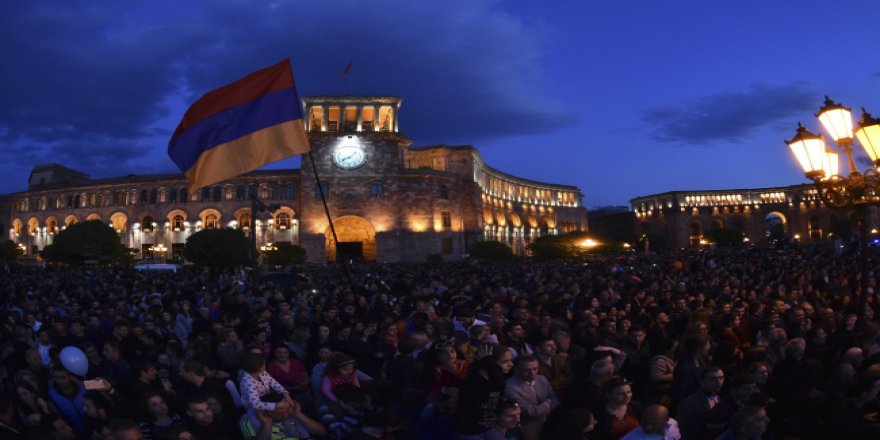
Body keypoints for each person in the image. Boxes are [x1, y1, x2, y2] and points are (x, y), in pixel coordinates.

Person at [504, 355, 559, 440]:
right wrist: (548, 403)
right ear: (516, 370)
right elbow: (531, 413)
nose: (532, 373)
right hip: (528, 429)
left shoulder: (542, 379)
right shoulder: (510, 386)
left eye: (535, 369)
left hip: (549, 424)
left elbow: (556, 402)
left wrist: (542, 408)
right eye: (526, 370)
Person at [238, 392, 327, 440]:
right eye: (278, 413)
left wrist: (298, 415)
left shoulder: (291, 413)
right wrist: (267, 425)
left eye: (286, 411)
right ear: (265, 412)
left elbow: (321, 432)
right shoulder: (247, 421)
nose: (285, 415)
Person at [676, 366, 724, 440]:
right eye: (713, 379)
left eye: (721, 378)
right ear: (702, 381)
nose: (718, 382)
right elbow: (682, 430)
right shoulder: (689, 403)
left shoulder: (720, 398)